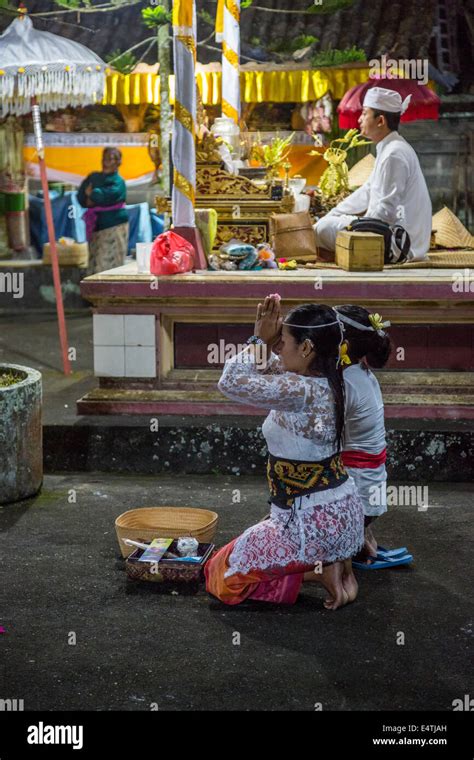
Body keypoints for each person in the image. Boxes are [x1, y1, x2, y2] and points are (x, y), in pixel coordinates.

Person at [205, 296, 364, 609]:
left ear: (306, 348)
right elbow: (268, 373)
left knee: (219, 576)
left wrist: (258, 340)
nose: (277, 348)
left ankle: (316, 570)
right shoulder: (327, 375)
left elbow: (232, 381)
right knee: (229, 559)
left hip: (313, 522)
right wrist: (270, 343)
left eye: (284, 341)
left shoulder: (301, 390)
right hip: (339, 516)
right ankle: (329, 565)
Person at [314, 86, 432, 261]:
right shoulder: (390, 149)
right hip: (393, 235)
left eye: (364, 114)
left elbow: (385, 212)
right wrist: (334, 214)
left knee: (321, 230)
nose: (359, 119)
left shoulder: (394, 154)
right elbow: (367, 192)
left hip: (399, 243)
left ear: (380, 121)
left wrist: (356, 228)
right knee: (323, 225)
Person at [335, 304, 412, 568]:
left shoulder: (344, 382)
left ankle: (352, 544)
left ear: (341, 342)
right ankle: (360, 537)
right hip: (370, 491)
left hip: (359, 494)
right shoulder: (359, 373)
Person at [78, 147, 128, 274]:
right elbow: (82, 195)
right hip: (96, 227)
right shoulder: (94, 177)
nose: (106, 161)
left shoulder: (119, 181)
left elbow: (108, 195)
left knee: (109, 265)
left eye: (110, 159)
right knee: (94, 264)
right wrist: (90, 197)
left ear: (118, 162)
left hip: (113, 226)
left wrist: (93, 194)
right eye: (105, 158)